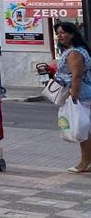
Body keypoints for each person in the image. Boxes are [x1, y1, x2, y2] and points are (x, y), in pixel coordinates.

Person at [53, 22, 91, 173]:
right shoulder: (74, 50)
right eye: (58, 33)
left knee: (82, 130)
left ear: (72, 34)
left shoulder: (74, 53)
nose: (59, 36)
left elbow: (77, 76)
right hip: (83, 93)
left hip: (81, 95)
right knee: (85, 129)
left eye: (63, 33)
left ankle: (85, 163)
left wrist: (73, 96)